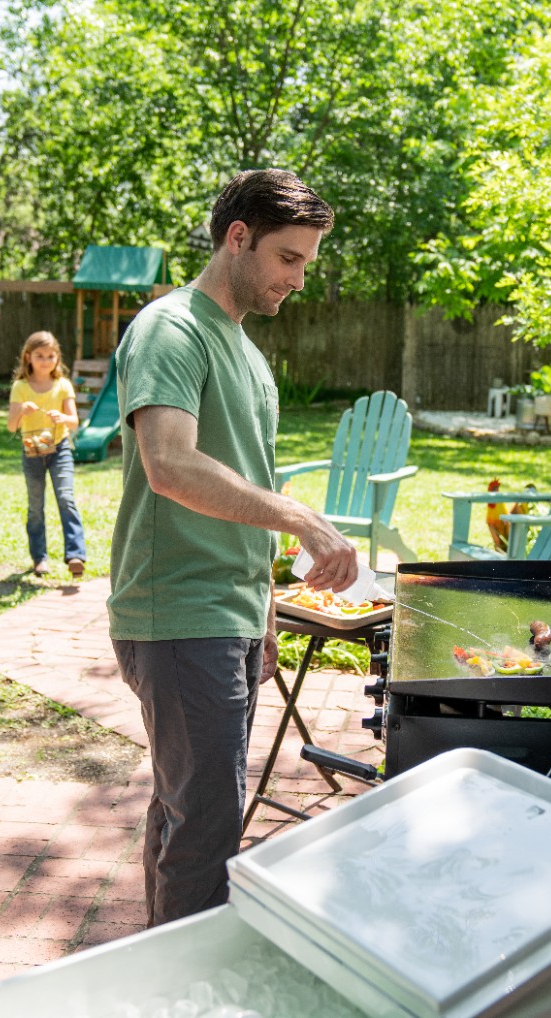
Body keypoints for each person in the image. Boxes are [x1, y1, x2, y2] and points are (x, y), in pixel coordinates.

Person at [107, 169, 359, 928]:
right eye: (289, 258)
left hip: (230, 612)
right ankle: (189, 981)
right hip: (180, 612)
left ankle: (159, 966)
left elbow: (243, 482)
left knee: (185, 810)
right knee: (209, 829)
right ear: (238, 237)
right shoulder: (172, 329)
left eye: (307, 263)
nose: (299, 279)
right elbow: (170, 464)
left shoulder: (246, 351)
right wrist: (303, 520)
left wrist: (265, 611)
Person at [7, 330, 87, 579]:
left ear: (57, 357)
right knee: (35, 506)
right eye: (39, 356)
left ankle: (76, 555)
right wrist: (21, 410)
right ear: (28, 357)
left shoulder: (63, 386)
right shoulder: (20, 387)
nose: (45, 361)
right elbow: (11, 426)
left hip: (59, 450)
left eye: (50, 356)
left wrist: (62, 417)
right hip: (32, 452)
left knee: (66, 497)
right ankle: (39, 558)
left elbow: (74, 421)